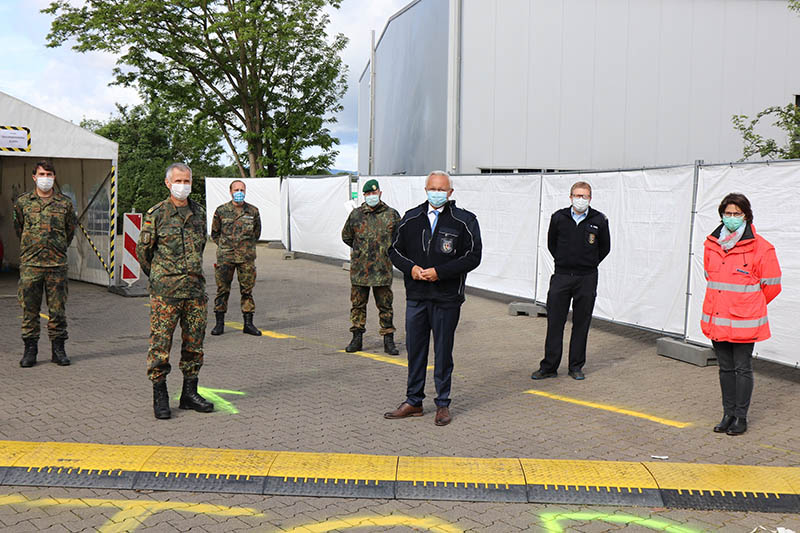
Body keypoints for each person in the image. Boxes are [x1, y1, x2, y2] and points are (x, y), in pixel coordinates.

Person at [385, 170, 482, 426]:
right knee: (415, 351)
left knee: (442, 352)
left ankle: (442, 404)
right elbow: (393, 251)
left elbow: (473, 256)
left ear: (450, 192)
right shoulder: (411, 218)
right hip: (417, 298)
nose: (437, 193)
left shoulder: (464, 221)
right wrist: (412, 269)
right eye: (433, 188)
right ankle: (414, 401)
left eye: (442, 189)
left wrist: (441, 272)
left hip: (447, 298)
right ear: (425, 189)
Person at [137, 163, 214, 420]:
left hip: (194, 291)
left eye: (187, 180)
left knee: (195, 345)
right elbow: (144, 254)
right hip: (166, 293)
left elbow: (201, 246)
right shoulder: (157, 214)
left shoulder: (199, 213)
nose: (184, 185)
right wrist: (160, 277)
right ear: (168, 183)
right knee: (160, 346)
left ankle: (189, 394)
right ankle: (160, 396)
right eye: (179, 180)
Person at [702, 193, 781, 436]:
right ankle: (727, 414)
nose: (732, 218)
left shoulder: (761, 247)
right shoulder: (712, 244)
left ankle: (740, 417)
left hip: (744, 320)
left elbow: (772, 285)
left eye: (737, 214)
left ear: (746, 215)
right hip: (718, 317)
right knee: (724, 368)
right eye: (728, 213)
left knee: (742, 368)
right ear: (722, 215)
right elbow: (711, 277)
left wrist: (750, 304)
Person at [532, 181, 610, 381]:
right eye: (577, 195)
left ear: (590, 198)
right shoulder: (559, 217)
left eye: (584, 196)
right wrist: (564, 262)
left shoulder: (599, 220)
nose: (580, 199)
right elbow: (552, 244)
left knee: (581, 323)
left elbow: (605, 248)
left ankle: (576, 366)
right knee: (555, 322)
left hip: (587, 278)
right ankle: (549, 366)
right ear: (570, 197)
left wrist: (588, 263)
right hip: (562, 276)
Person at [13, 160, 77, 367]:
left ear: (54, 177)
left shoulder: (65, 203)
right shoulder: (23, 203)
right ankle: (30, 350)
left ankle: (58, 349)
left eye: (49, 175)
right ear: (34, 177)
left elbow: (70, 232)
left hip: (56, 265)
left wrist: (56, 248)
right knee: (29, 309)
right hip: (31, 264)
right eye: (42, 175)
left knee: (57, 310)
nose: (45, 179)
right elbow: (19, 228)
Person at [341, 179, 402, 355]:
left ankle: (388, 340)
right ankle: (357, 338)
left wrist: (384, 254)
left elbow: (399, 239)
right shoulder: (356, 215)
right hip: (360, 272)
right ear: (364, 196)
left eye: (374, 193)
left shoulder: (392, 215)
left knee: (385, 306)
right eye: (368, 194)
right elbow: (347, 237)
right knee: (358, 305)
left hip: (382, 271)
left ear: (380, 193)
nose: (371, 196)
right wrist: (361, 252)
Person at [210, 180, 262, 336]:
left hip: (246, 258)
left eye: (242, 189)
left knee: (247, 291)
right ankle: (219, 324)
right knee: (222, 290)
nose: (239, 192)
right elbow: (215, 233)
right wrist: (226, 246)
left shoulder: (253, 211)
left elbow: (256, 233)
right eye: (236, 189)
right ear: (230, 191)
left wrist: (245, 247)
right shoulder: (221, 211)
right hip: (226, 257)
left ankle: (248, 323)